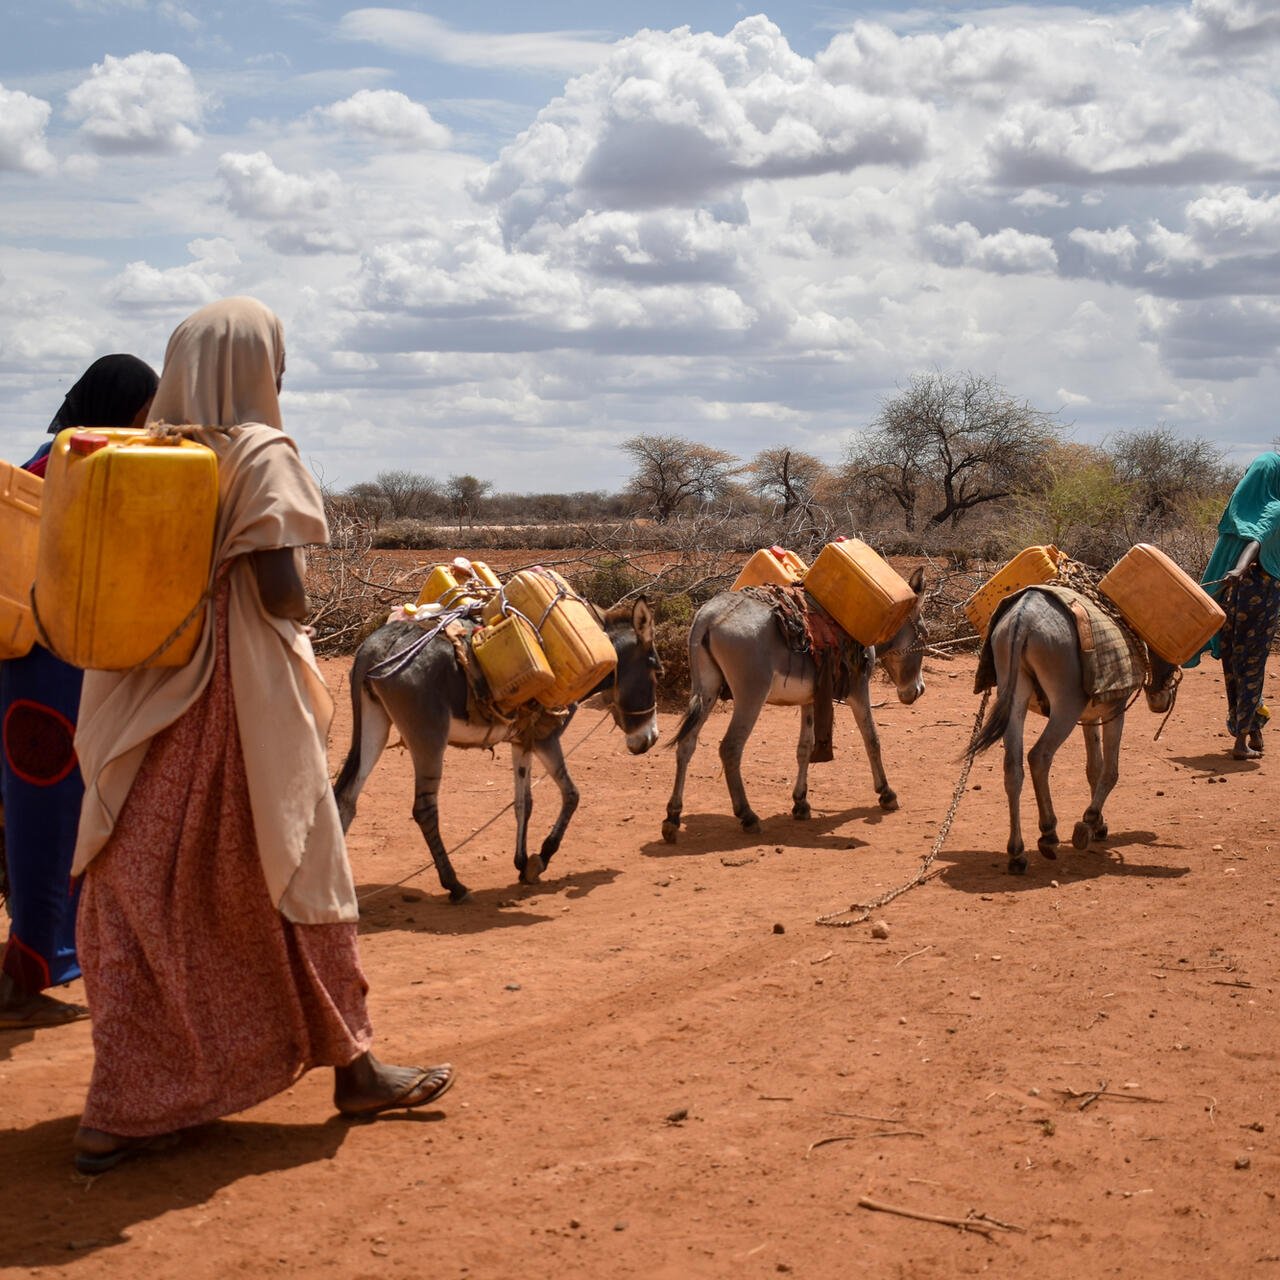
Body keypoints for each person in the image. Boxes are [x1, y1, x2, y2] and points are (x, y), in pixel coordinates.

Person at [69, 298, 454, 1174]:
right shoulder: (260, 452)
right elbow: (282, 592)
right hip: (235, 703)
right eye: (276, 362)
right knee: (295, 863)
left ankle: (155, 1091)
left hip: (135, 703)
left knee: (141, 887)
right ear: (254, 368)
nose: (281, 380)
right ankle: (168, 1101)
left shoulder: (134, 452)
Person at [1, 354, 159, 1030]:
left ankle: (43, 955)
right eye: (146, 413)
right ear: (125, 410)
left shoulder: (40, 465)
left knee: (31, 813)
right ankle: (34, 961)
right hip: (59, 676)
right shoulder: (89, 474)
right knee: (55, 816)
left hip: (24, 672)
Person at [1196, 452, 1280, 760]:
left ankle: (1252, 728)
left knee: (1233, 662)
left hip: (1232, 595)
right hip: (1260, 593)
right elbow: (1257, 541)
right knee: (1253, 664)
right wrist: (1243, 568)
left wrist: (1232, 574)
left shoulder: (1237, 509)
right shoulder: (1275, 507)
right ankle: (1240, 741)